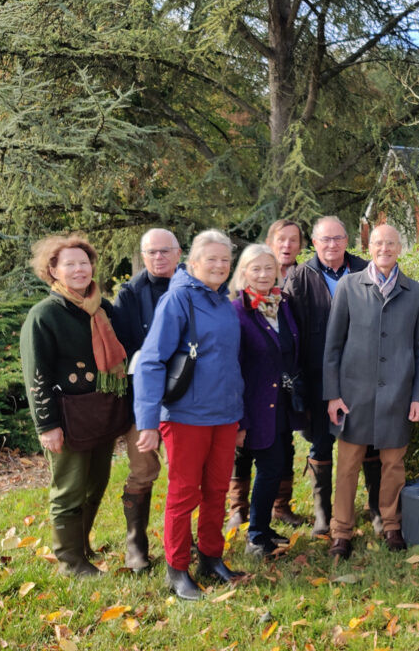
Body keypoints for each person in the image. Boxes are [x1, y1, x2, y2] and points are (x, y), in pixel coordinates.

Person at [134, 230, 246, 601]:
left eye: (225, 261)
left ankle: (211, 558)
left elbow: (230, 362)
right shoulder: (178, 299)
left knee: (216, 490)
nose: (219, 266)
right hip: (185, 416)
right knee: (184, 494)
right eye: (211, 259)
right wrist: (148, 421)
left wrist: (238, 415)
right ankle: (177, 569)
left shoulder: (222, 301)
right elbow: (151, 361)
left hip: (224, 416)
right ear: (193, 262)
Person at [20, 234, 127, 577]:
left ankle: (81, 546)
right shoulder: (44, 315)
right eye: (70, 264)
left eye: (84, 262)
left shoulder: (103, 308)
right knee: (68, 490)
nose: (79, 269)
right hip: (66, 418)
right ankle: (70, 561)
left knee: (96, 484)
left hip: (100, 411)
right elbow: (36, 375)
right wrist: (46, 425)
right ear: (52, 270)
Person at [323, 224, 419, 559]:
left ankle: (391, 524)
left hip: (397, 394)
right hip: (353, 395)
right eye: (378, 243)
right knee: (347, 466)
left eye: (391, 243)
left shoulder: (414, 292)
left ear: (400, 248)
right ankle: (341, 530)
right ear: (369, 247)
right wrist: (333, 394)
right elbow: (333, 345)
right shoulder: (349, 286)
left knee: (393, 465)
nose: (384, 248)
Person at [284, 216, 381, 537]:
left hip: (362, 374)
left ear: (347, 240)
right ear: (314, 243)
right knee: (321, 443)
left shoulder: (366, 269)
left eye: (338, 238)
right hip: (318, 377)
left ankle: (377, 508)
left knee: (368, 442)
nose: (332, 245)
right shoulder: (300, 277)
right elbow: (290, 331)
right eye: (325, 240)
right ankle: (323, 514)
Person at [226, 219, 307, 532]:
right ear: (244, 272)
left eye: (267, 269)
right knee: (268, 467)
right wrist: (240, 420)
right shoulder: (236, 311)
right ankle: (256, 532)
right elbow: (233, 367)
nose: (262, 275)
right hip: (253, 405)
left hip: (281, 402)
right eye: (255, 269)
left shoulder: (282, 305)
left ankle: (261, 529)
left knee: (274, 467)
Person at [110, 227, 181, 572]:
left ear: (178, 253)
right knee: (143, 470)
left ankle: (183, 539)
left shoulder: (193, 287)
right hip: (145, 399)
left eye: (165, 251)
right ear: (143, 256)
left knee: (184, 473)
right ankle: (135, 544)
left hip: (186, 398)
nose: (158, 257)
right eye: (151, 252)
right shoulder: (129, 295)